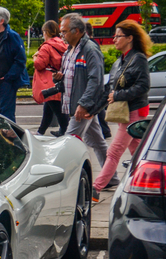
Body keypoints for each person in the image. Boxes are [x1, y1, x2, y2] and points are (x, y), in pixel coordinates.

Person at [53, 13, 118, 186]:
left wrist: (84, 103)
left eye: (64, 32)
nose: (62, 35)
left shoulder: (89, 49)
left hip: (81, 107)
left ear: (77, 31)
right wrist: (59, 79)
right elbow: (73, 76)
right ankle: (111, 177)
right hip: (76, 104)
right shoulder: (70, 49)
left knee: (69, 143)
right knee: (97, 141)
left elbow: (95, 80)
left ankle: (64, 182)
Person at [92, 20, 151, 202]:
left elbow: (143, 86)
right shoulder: (120, 61)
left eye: (118, 36)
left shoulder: (138, 59)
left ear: (130, 38)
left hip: (133, 112)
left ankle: (95, 188)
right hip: (123, 113)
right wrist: (93, 110)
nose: (114, 39)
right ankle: (147, 182)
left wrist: (118, 95)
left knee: (114, 151)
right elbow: (108, 89)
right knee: (139, 152)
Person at [32, 20, 69, 136]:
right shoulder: (62, 44)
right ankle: (41, 131)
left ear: (46, 32)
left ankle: (66, 132)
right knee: (49, 107)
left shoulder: (46, 47)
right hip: (58, 79)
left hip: (48, 81)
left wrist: (35, 58)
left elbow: (39, 64)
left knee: (58, 110)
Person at [86, 22, 112, 138]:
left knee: (97, 108)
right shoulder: (94, 44)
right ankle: (104, 131)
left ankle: (105, 131)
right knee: (97, 110)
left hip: (93, 82)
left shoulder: (90, 46)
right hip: (98, 82)